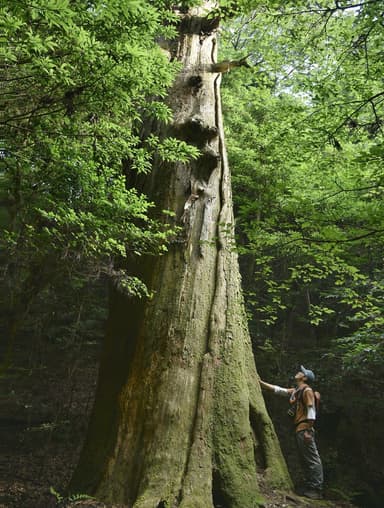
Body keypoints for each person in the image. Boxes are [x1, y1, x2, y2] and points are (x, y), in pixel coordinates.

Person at [259, 366, 323, 500]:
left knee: (312, 458)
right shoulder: (297, 391)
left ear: (304, 378)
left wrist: (309, 430)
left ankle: (316, 489)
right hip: (300, 428)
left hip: (305, 428)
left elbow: (311, 409)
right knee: (305, 458)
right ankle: (309, 486)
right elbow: (279, 390)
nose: (299, 372)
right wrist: (260, 383)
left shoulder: (307, 391)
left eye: (302, 372)